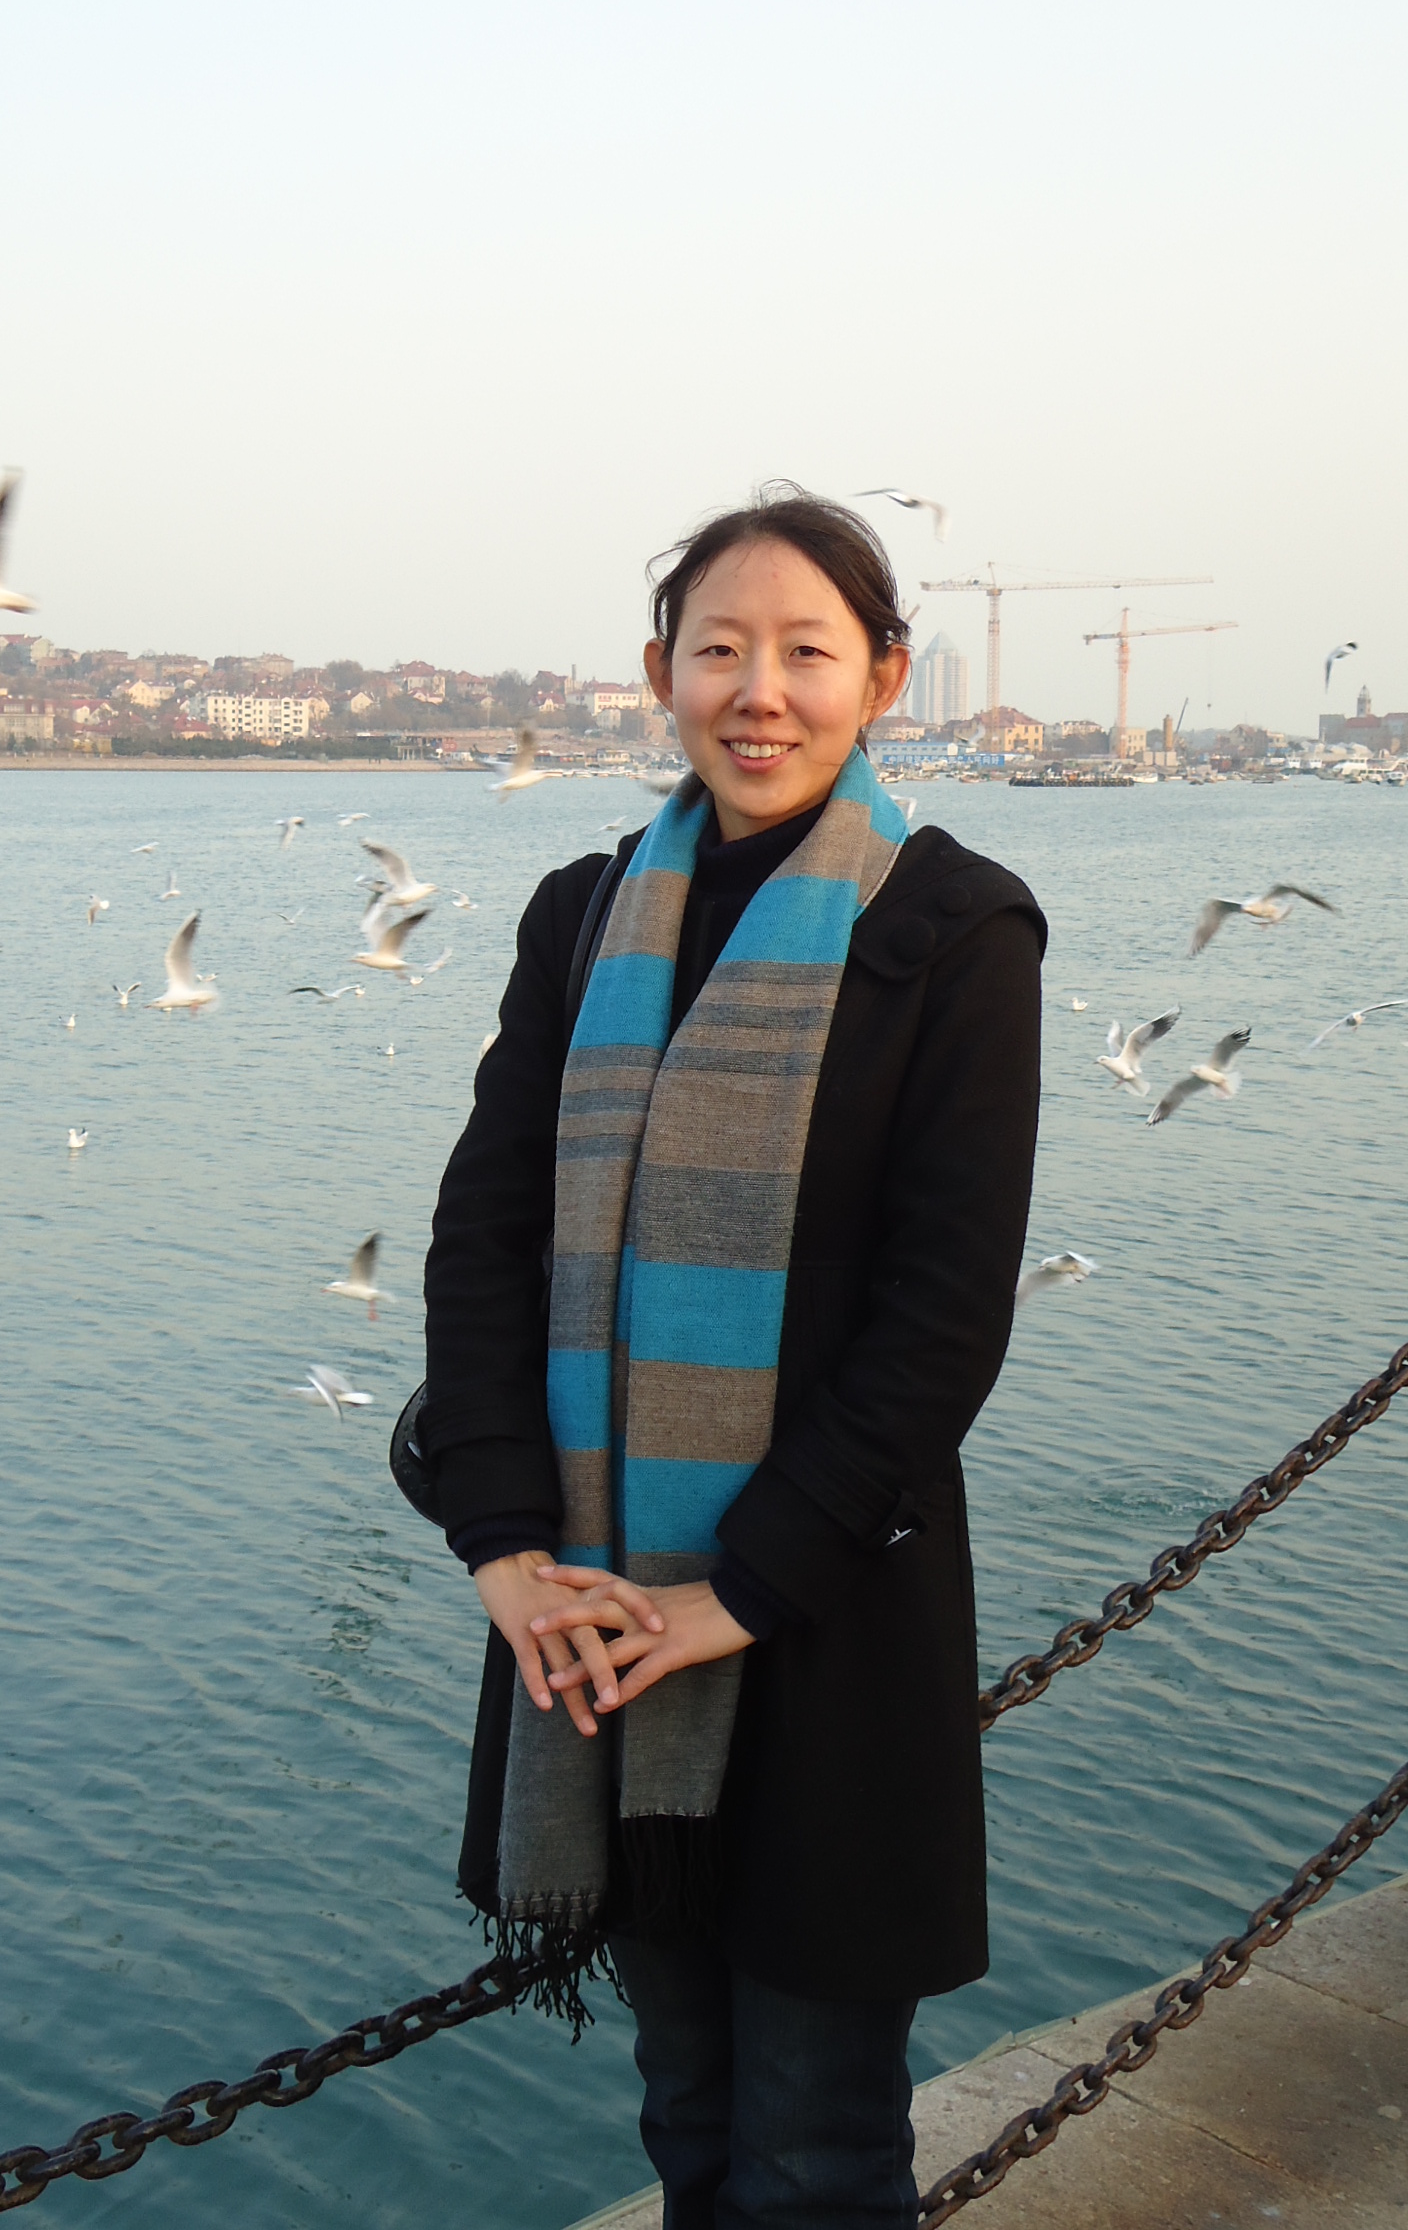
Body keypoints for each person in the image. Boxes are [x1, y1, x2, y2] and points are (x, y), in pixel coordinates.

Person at [418, 484, 1045, 2229]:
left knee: (815, 2145)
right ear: (660, 676)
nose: (759, 693)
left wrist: (736, 1595)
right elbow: (484, 1238)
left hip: (821, 1623)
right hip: (595, 1626)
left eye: (807, 654)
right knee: (689, 2111)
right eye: (720, 651)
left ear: (884, 679)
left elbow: (942, 1322)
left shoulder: (954, 930)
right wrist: (502, 1548)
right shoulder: (582, 916)